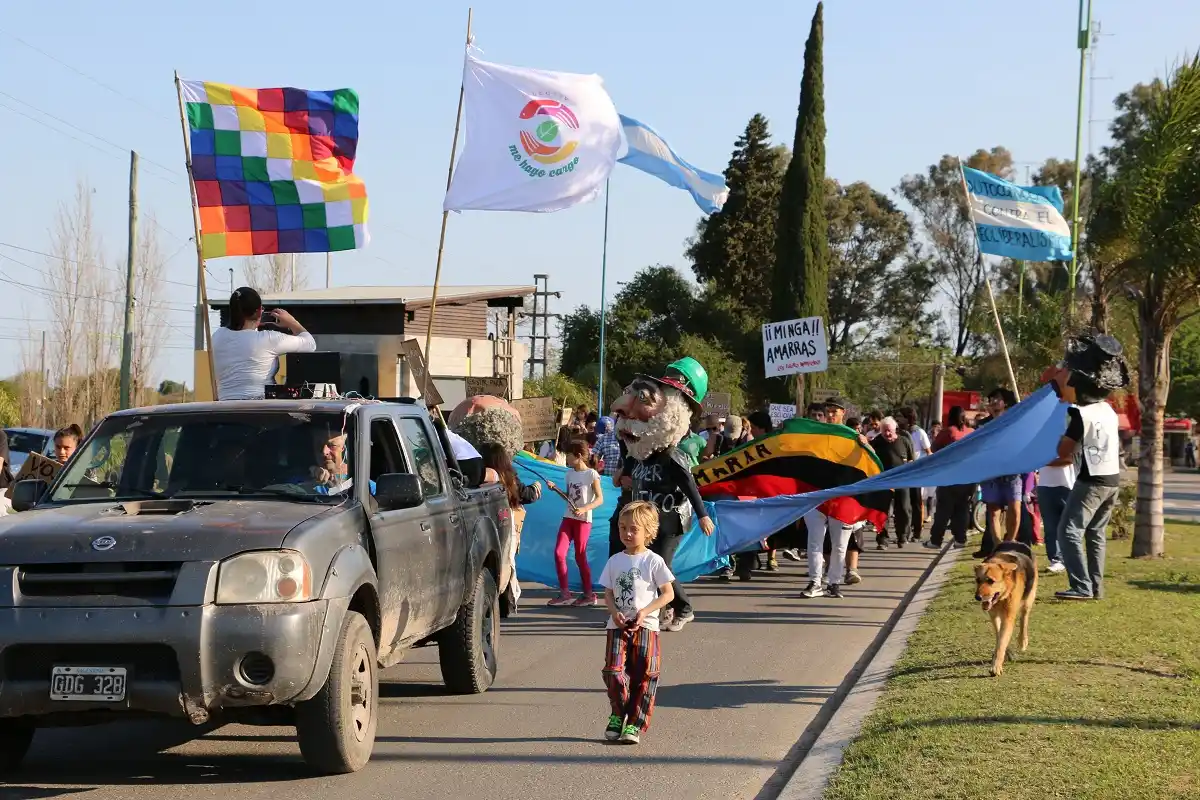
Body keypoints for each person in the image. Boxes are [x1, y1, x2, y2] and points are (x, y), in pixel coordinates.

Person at [612, 359, 716, 631]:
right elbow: (630, 465)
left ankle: (684, 608)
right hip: (648, 517)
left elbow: (688, 482)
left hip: (672, 518)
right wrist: (622, 471)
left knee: (660, 567)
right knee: (648, 563)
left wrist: (703, 515)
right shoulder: (643, 449)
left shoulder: (673, 453)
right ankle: (665, 609)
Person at [1054, 334, 1130, 601]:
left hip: (1092, 481)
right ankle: (1096, 587)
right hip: (1112, 480)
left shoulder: (1079, 413)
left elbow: (1064, 451)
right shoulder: (1107, 410)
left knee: (1068, 530)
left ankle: (1081, 586)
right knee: (1096, 533)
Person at [599, 500, 674, 745]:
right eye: (622, 528)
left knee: (645, 674)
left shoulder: (653, 561)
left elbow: (668, 593)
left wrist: (645, 611)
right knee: (613, 671)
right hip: (617, 626)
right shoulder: (614, 561)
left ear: (648, 531)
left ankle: (634, 723)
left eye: (634, 529)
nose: (627, 534)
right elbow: (608, 592)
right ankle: (618, 715)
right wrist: (613, 612)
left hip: (646, 626)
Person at [211, 287, 316, 401]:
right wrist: (291, 322)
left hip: (225, 406)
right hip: (258, 407)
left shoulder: (217, 336)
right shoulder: (268, 338)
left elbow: (239, 342)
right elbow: (310, 344)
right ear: (260, 311)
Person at [546, 440, 604, 607]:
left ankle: (588, 594)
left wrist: (584, 509)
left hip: (583, 521)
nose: (567, 459)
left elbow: (600, 499)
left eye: (569, 456)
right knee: (559, 553)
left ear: (578, 456)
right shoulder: (569, 474)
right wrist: (555, 489)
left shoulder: (592, 474)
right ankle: (565, 593)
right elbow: (569, 496)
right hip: (568, 518)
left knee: (580, 557)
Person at [976, 388, 1022, 558]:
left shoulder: (1015, 421)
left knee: (1015, 509)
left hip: (1012, 471)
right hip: (991, 472)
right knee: (993, 510)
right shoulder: (983, 424)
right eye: (992, 399)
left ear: (1006, 403)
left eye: (997, 399)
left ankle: (1009, 543)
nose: (994, 402)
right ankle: (997, 547)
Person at [925, 406, 975, 549]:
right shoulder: (971, 432)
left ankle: (936, 540)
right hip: (968, 478)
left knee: (943, 511)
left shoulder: (947, 432)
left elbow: (934, 450)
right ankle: (960, 539)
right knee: (962, 509)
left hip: (949, 477)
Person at [871, 417, 915, 548]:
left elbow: (912, 460)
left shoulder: (904, 441)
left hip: (902, 480)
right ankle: (882, 539)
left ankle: (902, 536)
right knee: (882, 510)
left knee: (904, 508)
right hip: (883, 481)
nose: (887, 434)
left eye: (889, 431)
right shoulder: (877, 442)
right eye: (884, 431)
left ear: (895, 429)